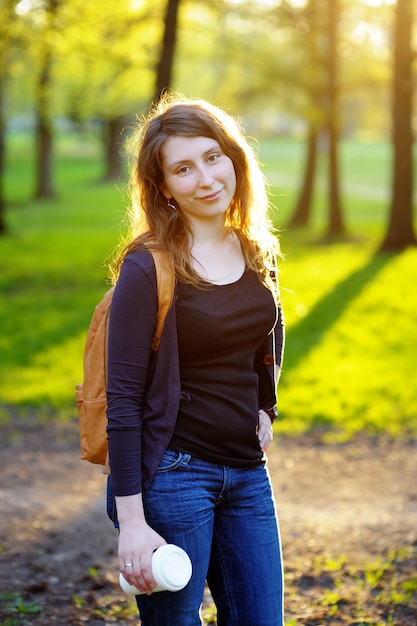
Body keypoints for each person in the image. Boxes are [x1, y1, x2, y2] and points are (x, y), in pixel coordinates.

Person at [105, 92, 285, 626]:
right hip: (174, 474)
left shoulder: (255, 250)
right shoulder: (147, 269)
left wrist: (265, 408)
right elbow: (123, 400)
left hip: (248, 474)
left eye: (212, 157)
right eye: (183, 168)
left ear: (233, 158)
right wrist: (133, 522)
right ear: (163, 188)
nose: (205, 178)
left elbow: (264, 343)